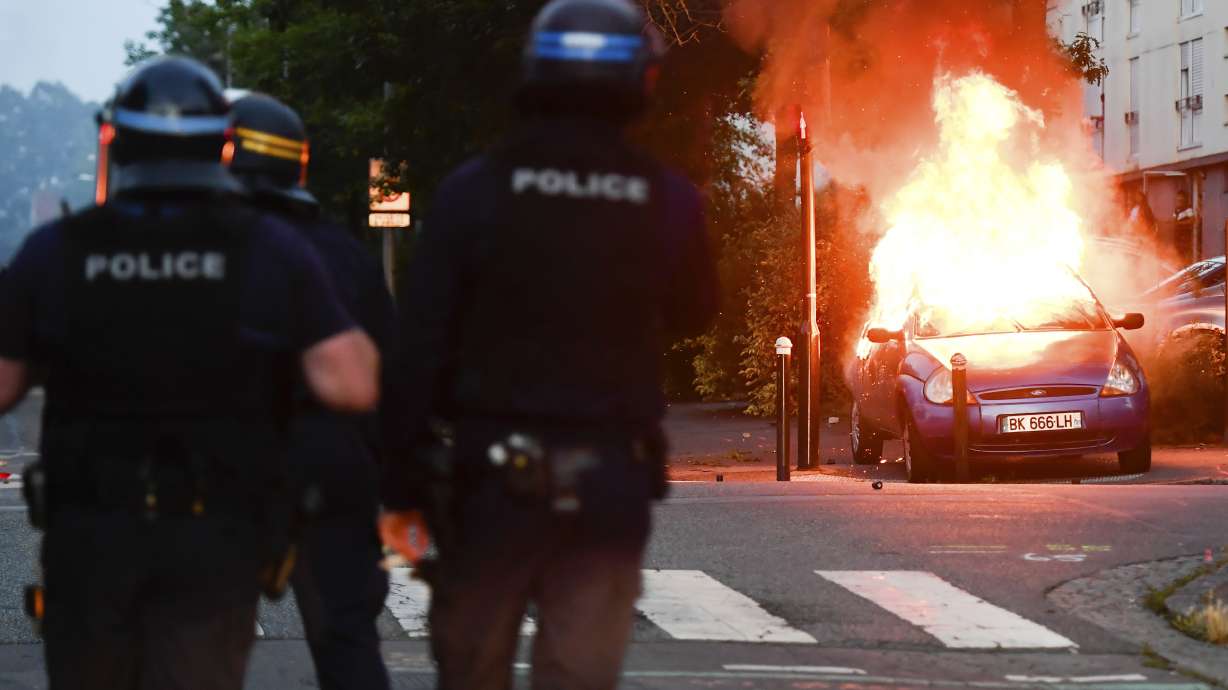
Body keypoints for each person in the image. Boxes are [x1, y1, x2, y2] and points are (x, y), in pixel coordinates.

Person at [0, 56, 379, 690]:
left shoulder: (57, 249)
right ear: (222, 144)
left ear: (116, 140)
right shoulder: (270, 246)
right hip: (215, 538)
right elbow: (353, 382)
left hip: (91, 536)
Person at [378, 1, 719, 688]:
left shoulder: (474, 190)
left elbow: (416, 346)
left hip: (490, 487)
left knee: (471, 669)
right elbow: (696, 313)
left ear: (532, 72)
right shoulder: (670, 199)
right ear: (642, 80)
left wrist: (402, 485)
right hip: (608, 489)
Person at [227, 92, 395, 690]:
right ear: (297, 165)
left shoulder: (196, 250)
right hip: (331, 474)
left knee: (198, 645)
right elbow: (387, 375)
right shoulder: (342, 253)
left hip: (222, 475)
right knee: (347, 643)